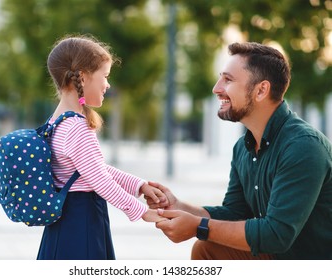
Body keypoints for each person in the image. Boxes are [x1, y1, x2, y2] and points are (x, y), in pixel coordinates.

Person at [146, 42, 332, 260]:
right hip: (278, 257)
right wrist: (182, 208)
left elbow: (276, 235)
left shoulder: (303, 146)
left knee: (205, 242)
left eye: (228, 80)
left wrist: (199, 226)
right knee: (206, 249)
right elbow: (236, 214)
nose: (217, 88)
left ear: (261, 90)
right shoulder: (243, 147)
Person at [37, 35, 167, 260]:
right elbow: (100, 180)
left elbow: (93, 169)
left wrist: (139, 185)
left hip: (62, 225)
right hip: (83, 223)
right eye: (105, 76)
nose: (107, 84)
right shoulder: (77, 127)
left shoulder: (55, 122)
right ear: (83, 77)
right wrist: (142, 212)